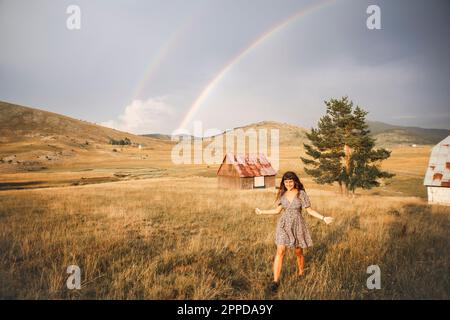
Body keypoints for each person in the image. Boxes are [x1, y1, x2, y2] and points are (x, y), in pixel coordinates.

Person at [255, 171, 334, 292]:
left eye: (290, 181)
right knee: (280, 250)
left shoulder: (301, 194)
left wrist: (324, 218)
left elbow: (310, 210)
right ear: (284, 183)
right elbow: (277, 211)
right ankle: (275, 282)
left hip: (297, 225)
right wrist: (262, 212)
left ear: (295, 181)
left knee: (298, 252)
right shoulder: (282, 194)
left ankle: (301, 272)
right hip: (283, 225)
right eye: (286, 182)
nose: (288, 184)